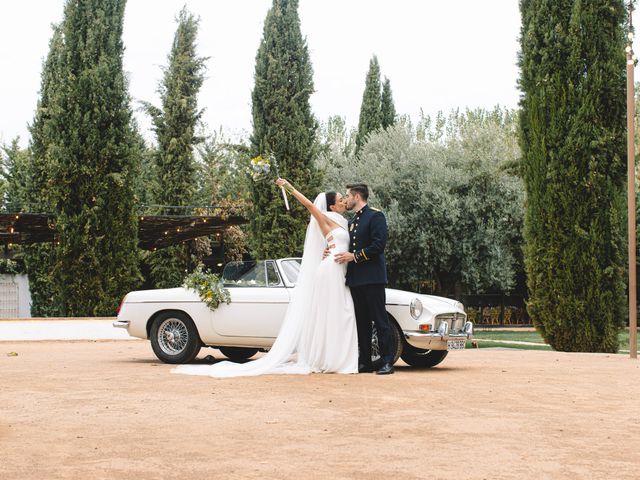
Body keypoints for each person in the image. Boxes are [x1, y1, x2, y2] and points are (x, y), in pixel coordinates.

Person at [171, 179, 358, 377]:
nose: (343, 201)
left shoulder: (345, 222)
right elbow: (309, 205)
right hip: (330, 271)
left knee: (341, 313)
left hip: (340, 268)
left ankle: (336, 357)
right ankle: (328, 360)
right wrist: (288, 187)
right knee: (335, 313)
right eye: (340, 199)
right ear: (331, 205)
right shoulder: (326, 217)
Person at [334, 183, 395, 375]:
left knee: (380, 321)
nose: (346, 199)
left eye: (347, 196)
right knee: (361, 322)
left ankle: (387, 362)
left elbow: (378, 246)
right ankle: (365, 362)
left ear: (357, 196)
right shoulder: (352, 220)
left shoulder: (376, 216)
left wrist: (355, 257)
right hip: (356, 279)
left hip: (373, 278)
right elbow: (346, 245)